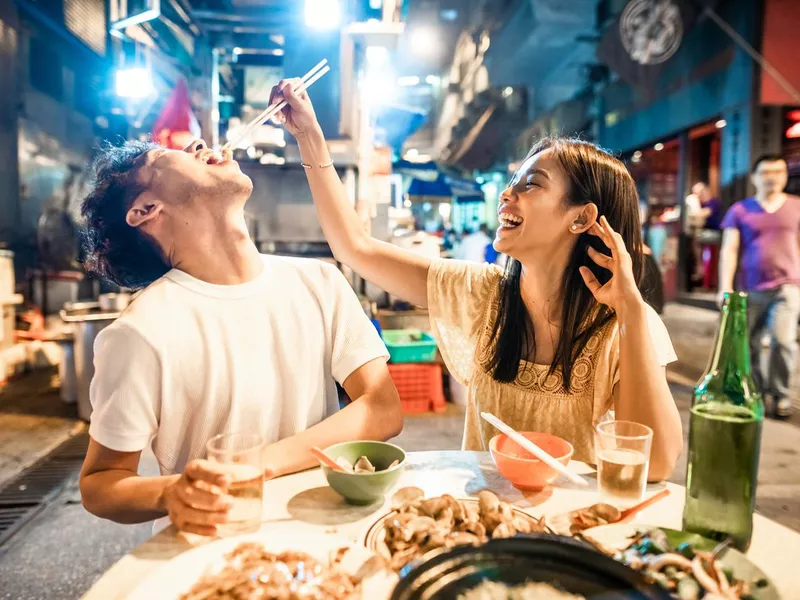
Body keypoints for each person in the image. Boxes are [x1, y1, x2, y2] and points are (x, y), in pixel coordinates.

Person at [273, 79, 683, 480]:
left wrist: (630, 310)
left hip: (570, 531)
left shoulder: (623, 323)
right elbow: (355, 247)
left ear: (580, 218)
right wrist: (310, 138)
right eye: (511, 184)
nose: (507, 195)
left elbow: (657, 463)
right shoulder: (482, 293)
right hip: (484, 523)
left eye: (531, 185)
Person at [78, 139, 403, 536]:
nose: (199, 145)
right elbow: (100, 484)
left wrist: (254, 466)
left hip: (323, 530)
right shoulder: (140, 332)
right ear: (145, 211)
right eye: (164, 156)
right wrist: (170, 493)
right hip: (216, 547)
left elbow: (383, 409)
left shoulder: (320, 282)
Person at [718, 155, 800, 419]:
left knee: (784, 341)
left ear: (785, 176)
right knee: (748, 345)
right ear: (754, 177)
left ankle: (780, 393)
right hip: (749, 288)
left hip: (788, 286)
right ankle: (755, 391)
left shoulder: (797, 207)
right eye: (765, 172)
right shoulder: (740, 210)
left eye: (777, 171)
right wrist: (724, 287)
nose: (772, 177)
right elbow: (729, 250)